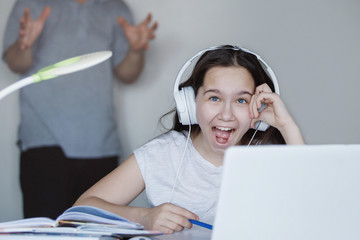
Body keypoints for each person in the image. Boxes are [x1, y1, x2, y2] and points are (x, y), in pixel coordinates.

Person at [74, 45, 305, 234]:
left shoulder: (269, 158)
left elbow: (316, 211)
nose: (226, 114)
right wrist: (143, 216)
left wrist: (286, 125)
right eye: (214, 98)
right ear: (190, 104)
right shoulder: (163, 154)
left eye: (241, 101)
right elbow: (81, 209)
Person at [2, 0, 158, 219]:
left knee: (100, 231)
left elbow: (128, 75)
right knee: (46, 232)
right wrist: (24, 44)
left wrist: (135, 51)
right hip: (43, 143)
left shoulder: (117, 9)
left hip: (101, 145)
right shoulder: (30, 4)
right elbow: (15, 64)